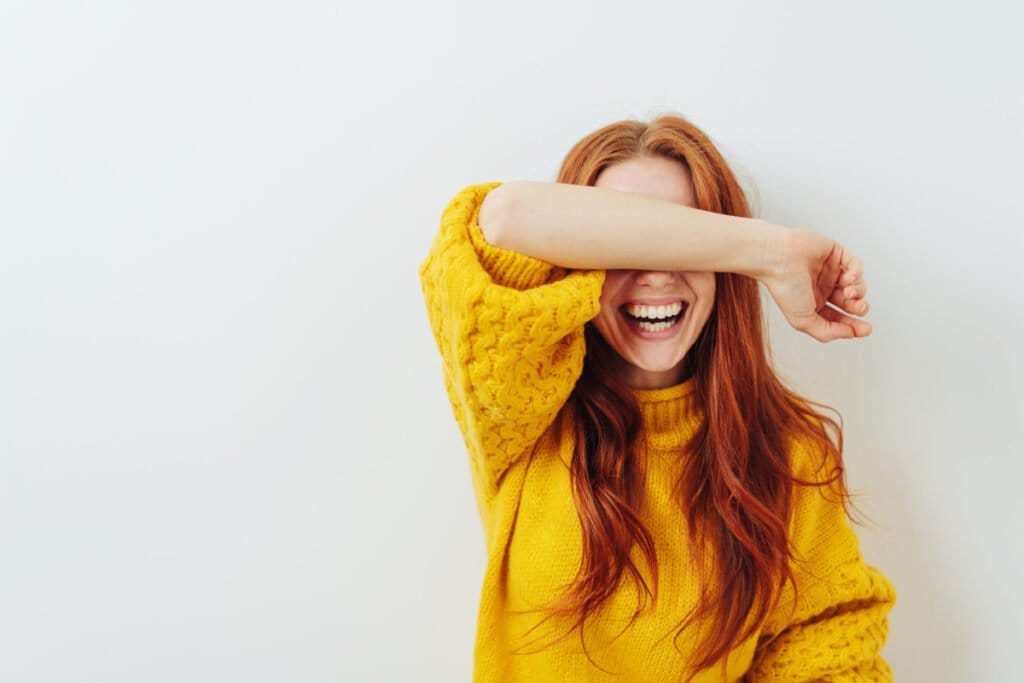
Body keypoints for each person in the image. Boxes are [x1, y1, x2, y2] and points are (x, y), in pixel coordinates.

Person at [418, 114, 896, 682]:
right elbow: (504, 218)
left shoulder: (787, 451)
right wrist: (773, 251)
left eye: (683, 240)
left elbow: (827, 642)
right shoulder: (526, 410)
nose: (656, 276)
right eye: (625, 241)